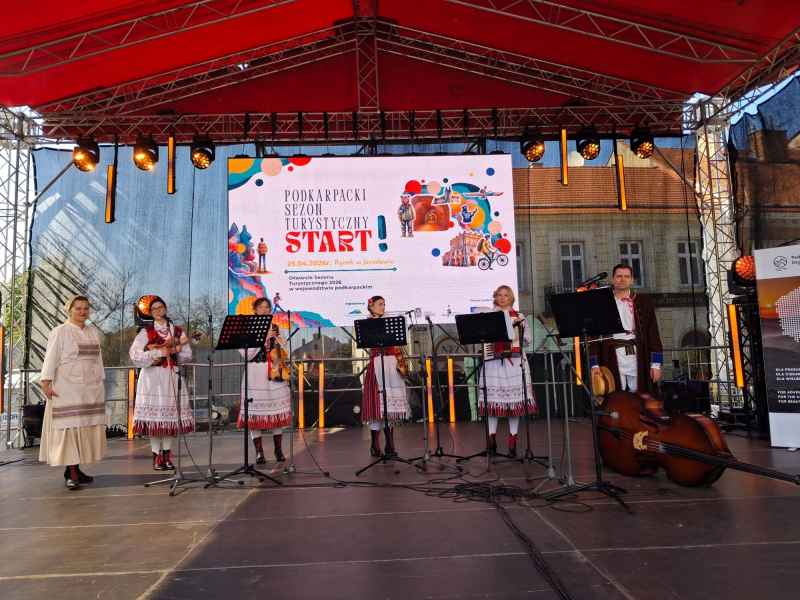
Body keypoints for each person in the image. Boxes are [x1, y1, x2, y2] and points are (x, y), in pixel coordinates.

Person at [39, 295, 107, 490]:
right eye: (78, 308)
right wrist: (46, 382)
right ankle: (72, 472)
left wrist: (100, 380)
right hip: (67, 386)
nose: (82, 312)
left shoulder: (93, 332)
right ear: (69, 310)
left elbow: (98, 359)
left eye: (86, 308)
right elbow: (51, 357)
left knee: (83, 427)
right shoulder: (60, 331)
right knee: (69, 428)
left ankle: (76, 469)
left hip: (90, 387)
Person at [129, 296, 194, 471]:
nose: (158, 311)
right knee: (155, 419)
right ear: (150, 313)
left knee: (169, 419)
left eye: (160, 307)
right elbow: (134, 354)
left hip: (171, 375)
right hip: (152, 378)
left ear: (165, 308)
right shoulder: (146, 332)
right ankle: (156, 456)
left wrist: (176, 351)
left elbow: (187, 355)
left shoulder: (177, 331)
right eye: (154, 309)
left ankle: (167, 455)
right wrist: (156, 354)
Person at [481, 285, 537, 457]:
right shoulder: (489, 316)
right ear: (495, 297)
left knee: (515, 404)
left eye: (506, 295)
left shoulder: (519, 316)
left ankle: (513, 441)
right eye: (499, 295)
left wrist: (519, 332)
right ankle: (491, 440)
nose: (503, 298)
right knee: (493, 403)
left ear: (511, 297)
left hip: (515, 363)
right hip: (493, 363)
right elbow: (483, 337)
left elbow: (528, 339)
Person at [590, 264, 663, 395]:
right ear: (613, 279)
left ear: (632, 280)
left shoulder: (644, 302)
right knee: (615, 398)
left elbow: (653, 334)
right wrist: (594, 365)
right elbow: (594, 335)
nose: (622, 279)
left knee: (640, 397)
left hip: (638, 356)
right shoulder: (602, 303)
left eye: (626, 276)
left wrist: (656, 365)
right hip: (611, 356)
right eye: (619, 276)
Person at [238, 297, 291, 463]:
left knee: (276, 410)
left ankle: (278, 450)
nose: (265, 310)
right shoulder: (247, 328)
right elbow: (246, 354)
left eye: (267, 307)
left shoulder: (275, 327)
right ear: (255, 309)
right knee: (254, 413)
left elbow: (284, 350)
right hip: (255, 372)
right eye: (261, 307)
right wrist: (264, 337)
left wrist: (281, 341)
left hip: (274, 371)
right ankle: (259, 452)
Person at [361, 295, 411, 457]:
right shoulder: (368, 324)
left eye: (384, 304)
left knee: (390, 408)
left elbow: (397, 346)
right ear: (371, 307)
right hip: (377, 365)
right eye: (379, 304)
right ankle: (375, 445)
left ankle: (390, 444)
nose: (383, 307)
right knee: (378, 407)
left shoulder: (390, 323)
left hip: (391, 365)